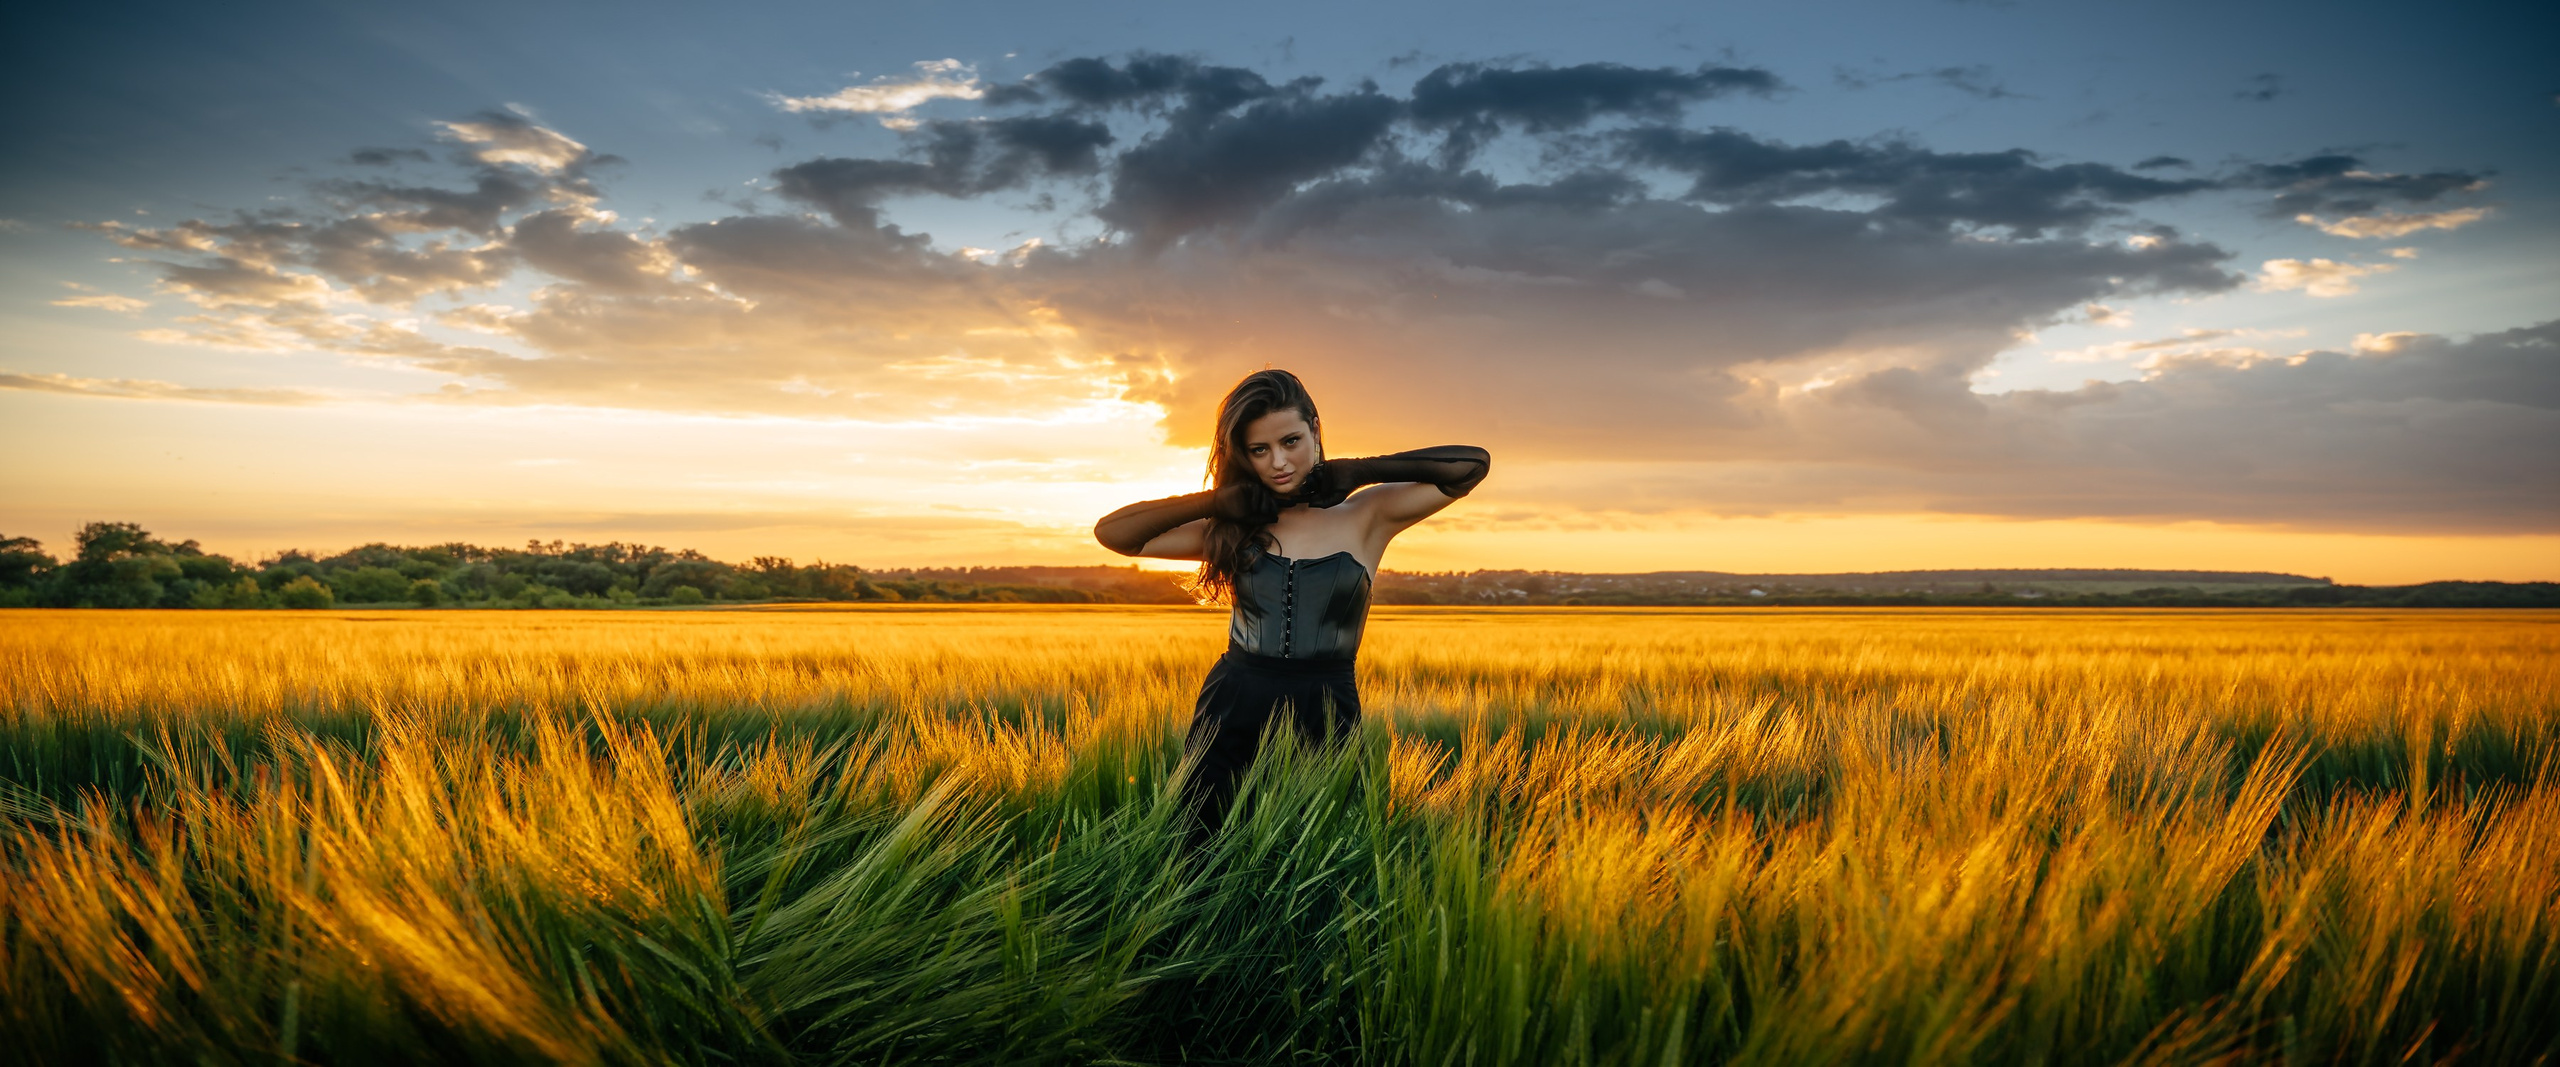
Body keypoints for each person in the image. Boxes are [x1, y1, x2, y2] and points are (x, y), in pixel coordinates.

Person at [1092, 369, 1490, 846]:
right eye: (1259, 450)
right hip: (1233, 704)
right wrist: (1216, 501)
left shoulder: (1369, 514)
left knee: (1324, 853)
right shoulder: (1231, 526)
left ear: (1315, 429)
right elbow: (1114, 534)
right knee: (1199, 848)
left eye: (1291, 441)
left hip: (1326, 708)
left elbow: (1472, 465)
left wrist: (1359, 470)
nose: (1278, 462)